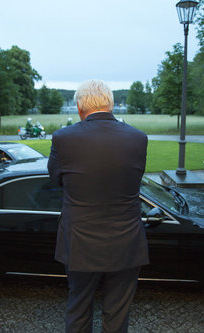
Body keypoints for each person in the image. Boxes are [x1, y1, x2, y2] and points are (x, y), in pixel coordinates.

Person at [47, 79, 149, 333]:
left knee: (79, 309)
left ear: (80, 108)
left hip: (80, 242)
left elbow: (55, 179)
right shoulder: (138, 138)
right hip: (126, 241)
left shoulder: (63, 138)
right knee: (118, 315)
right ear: (111, 105)